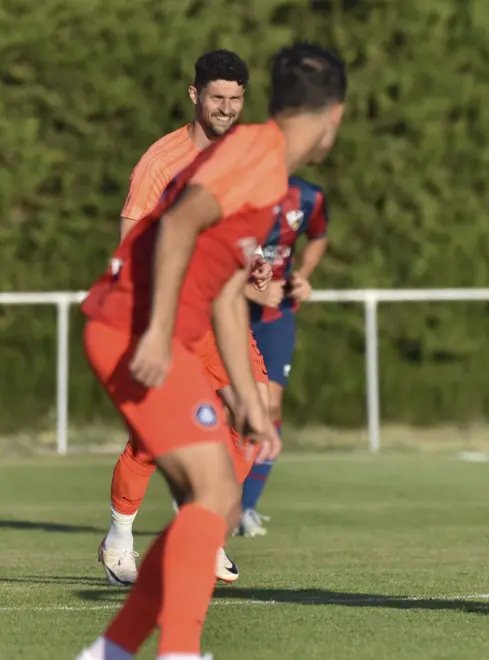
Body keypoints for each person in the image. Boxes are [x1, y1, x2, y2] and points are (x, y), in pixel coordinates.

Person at [75, 41, 348, 660]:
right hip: (136, 324)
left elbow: (225, 288)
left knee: (224, 485)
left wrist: (246, 394)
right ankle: (177, 650)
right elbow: (172, 227)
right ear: (334, 116)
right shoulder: (255, 157)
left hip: (166, 322)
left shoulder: (261, 162)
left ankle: (115, 651)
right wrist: (155, 330)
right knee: (214, 494)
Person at [98, 49, 271, 586]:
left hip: (219, 315)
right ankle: (118, 538)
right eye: (217, 97)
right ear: (195, 96)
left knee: (255, 413)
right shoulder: (160, 162)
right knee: (155, 439)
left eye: (236, 99)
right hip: (166, 317)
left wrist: (255, 261)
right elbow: (130, 241)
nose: (227, 108)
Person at [237, 175, 329, 537]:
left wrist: (302, 277)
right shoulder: (233, 190)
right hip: (228, 311)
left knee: (271, 407)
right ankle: (208, 494)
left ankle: (246, 508)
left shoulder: (308, 196)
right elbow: (202, 257)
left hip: (275, 317)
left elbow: (318, 237)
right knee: (232, 407)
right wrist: (250, 291)